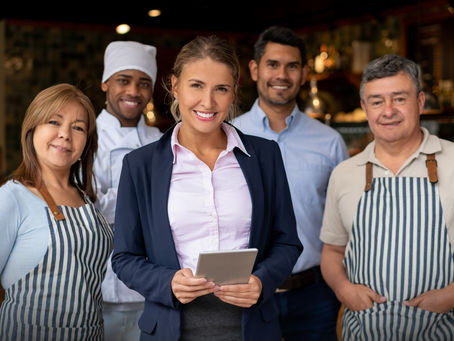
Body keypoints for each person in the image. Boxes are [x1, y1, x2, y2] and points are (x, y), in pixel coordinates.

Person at [111, 35, 303, 341]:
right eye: (196, 85)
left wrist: (261, 282)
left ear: (234, 91)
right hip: (170, 329)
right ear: (175, 86)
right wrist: (168, 282)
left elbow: (287, 242)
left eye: (221, 89)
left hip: (252, 328)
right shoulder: (141, 165)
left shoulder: (264, 156)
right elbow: (124, 257)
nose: (208, 102)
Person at [320, 54, 454, 340]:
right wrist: (344, 290)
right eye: (377, 101)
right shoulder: (344, 173)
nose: (388, 110)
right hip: (364, 331)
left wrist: (451, 296)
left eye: (399, 98)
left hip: (443, 329)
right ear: (364, 108)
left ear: (419, 102)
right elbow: (332, 252)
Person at [232, 25, 348, 340]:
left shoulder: (330, 142)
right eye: (272, 64)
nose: (281, 74)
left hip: (314, 296)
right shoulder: (227, 136)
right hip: (243, 295)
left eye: (292, 66)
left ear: (304, 72)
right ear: (254, 69)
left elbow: (346, 222)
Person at [0, 83, 113, 340]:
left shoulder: (88, 204)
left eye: (78, 127)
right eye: (54, 121)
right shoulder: (12, 197)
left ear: (87, 142)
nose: (65, 134)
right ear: (32, 128)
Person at [93, 40, 162, 341]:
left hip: (157, 287)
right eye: (124, 80)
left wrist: (117, 201)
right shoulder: (87, 136)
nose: (134, 92)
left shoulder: (161, 139)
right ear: (105, 84)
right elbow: (88, 207)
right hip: (105, 288)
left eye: (143, 83)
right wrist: (150, 202)